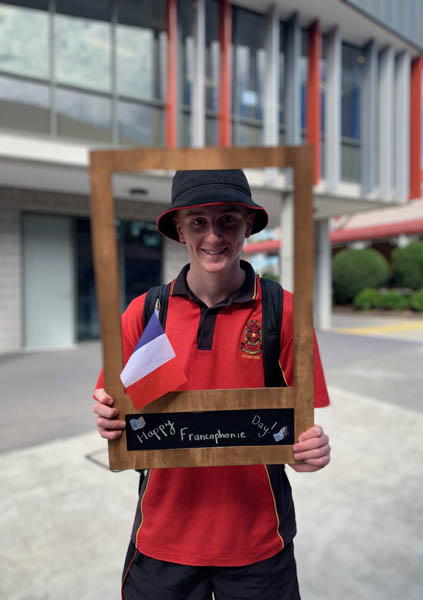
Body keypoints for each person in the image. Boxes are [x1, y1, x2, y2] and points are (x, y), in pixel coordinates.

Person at [93, 169, 331, 600]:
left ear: (248, 224)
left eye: (228, 220)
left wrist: (307, 451)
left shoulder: (285, 313)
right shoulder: (145, 313)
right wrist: (110, 421)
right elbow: (120, 416)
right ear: (180, 228)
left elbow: (299, 433)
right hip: (162, 543)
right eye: (199, 221)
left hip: (259, 546)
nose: (214, 236)